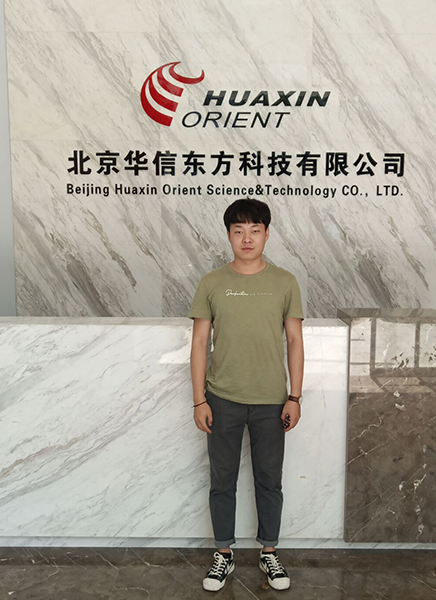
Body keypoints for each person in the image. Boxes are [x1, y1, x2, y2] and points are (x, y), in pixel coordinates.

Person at [188, 198, 305, 592]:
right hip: (221, 398)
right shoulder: (211, 282)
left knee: (269, 480)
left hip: (272, 400)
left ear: (267, 234)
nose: (247, 238)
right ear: (228, 236)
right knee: (222, 480)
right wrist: (199, 400)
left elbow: (295, 340)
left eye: (255, 230)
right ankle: (223, 554)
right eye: (238, 231)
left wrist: (295, 397)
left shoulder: (285, 282)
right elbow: (199, 343)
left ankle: (269, 551)